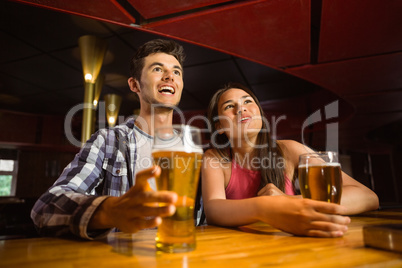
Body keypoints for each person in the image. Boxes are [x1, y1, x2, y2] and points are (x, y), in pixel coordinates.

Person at [31, 39, 186, 239]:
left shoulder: (192, 150)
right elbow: (45, 208)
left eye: (177, 72)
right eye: (157, 69)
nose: (169, 76)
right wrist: (110, 211)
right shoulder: (109, 141)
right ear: (134, 84)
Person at [202, 82, 379, 237]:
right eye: (228, 106)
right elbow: (213, 210)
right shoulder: (215, 157)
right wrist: (266, 207)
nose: (240, 109)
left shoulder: (289, 149)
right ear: (219, 127)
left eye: (247, 101)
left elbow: (368, 197)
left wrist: (290, 201)